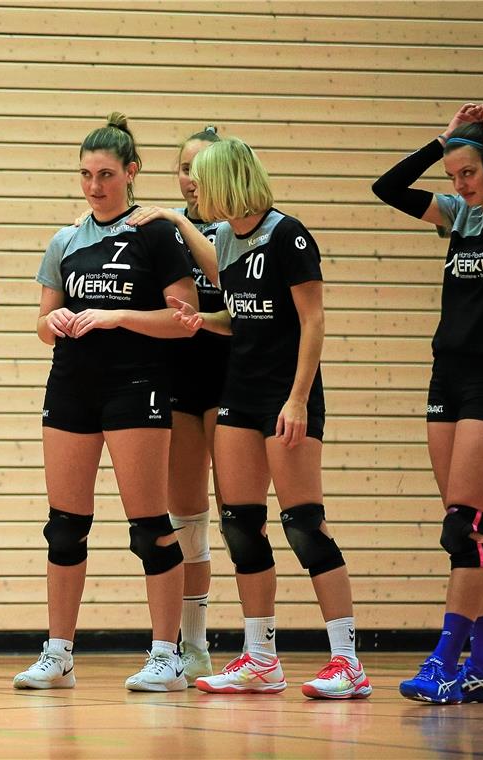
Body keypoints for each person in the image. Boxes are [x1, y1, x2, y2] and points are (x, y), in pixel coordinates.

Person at [168, 136, 371, 699]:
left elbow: (313, 320)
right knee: (241, 527)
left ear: (229, 177)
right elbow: (243, 318)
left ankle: (347, 661)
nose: (195, 188)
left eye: (202, 178)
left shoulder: (288, 234)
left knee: (304, 524)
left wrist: (299, 398)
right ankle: (261, 659)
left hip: (288, 398)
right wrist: (201, 321)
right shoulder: (231, 238)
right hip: (241, 395)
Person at [12, 113, 197, 693]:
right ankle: (59, 653)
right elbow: (41, 325)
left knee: (148, 526)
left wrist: (118, 316)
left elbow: (185, 320)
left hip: (134, 385)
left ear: (132, 173)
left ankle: (168, 654)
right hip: (70, 386)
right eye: (86, 175)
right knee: (65, 527)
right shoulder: (66, 239)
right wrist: (55, 320)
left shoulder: (155, 233)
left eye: (106, 175)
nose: (94, 186)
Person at [372, 102, 483, 704]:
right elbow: (387, 187)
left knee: (464, 529)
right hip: (448, 375)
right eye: (453, 176)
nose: (459, 186)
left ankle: (446, 661)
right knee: (473, 529)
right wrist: (441, 141)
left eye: (468, 173)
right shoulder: (459, 216)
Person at [122, 126, 226, 681]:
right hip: (178, 377)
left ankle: (261, 644)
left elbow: (220, 274)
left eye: (203, 168)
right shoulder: (153, 227)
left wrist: (180, 220)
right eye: (186, 168)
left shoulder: (239, 224)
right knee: (188, 518)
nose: (192, 179)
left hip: (233, 374)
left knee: (243, 515)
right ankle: (194, 645)